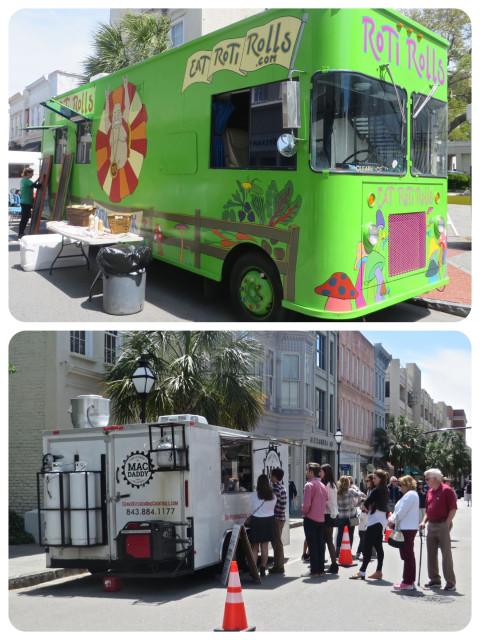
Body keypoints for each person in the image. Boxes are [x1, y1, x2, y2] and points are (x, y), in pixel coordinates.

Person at [419, 468, 457, 591]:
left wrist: (447, 523)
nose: (426, 481)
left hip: (442, 524)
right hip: (431, 525)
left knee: (446, 553)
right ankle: (435, 579)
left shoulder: (447, 490)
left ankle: (450, 581)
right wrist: (423, 522)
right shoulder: (430, 491)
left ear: (435, 478)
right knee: (431, 553)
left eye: (427, 479)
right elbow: (428, 510)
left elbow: (453, 509)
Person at [350, 469, 389, 581]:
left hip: (375, 520)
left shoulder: (377, 490)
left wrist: (365, 504)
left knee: (367, 546)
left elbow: (366, 503)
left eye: (375, 478)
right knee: (378, 546)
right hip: (381, 520)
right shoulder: (386, 490)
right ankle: (378, 571)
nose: (373, 480)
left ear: (380, 479)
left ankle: (362, 571)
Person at [387, 475, 419, 590]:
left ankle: (408, 581)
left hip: (407, 528)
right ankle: (408, 580)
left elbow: (401, 512)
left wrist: (392, 520)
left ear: (406, 485)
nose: (400, 487)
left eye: (401, 485)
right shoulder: (411, 495)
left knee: (408, 555)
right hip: (407, 527)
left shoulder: (410, 495)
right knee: (407, 554)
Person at [301, 462, 327, 578]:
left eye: (307, 470)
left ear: (311, 472)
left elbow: (306, 504)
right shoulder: (322, 485)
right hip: (321, 518)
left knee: (312, 545)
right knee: (320, 545)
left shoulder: (309, 485)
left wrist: (304, 512)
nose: (306, 472)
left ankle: (314, 570)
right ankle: (321, 569)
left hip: (311, 518)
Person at [248, 474, 277, 577]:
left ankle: (253, 569)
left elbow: (250, 508)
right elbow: (273, 507)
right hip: (269, 521)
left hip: (256, 521)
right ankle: (263, 568)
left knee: (254, 546)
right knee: (265, 545)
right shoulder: (273, 495)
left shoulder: (254, 495)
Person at [335, 475, 364, 556]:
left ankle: (338, 549)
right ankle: (348, 550)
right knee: (350, 534)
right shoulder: (351, 491)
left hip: (341, 516)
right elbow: (359, 494)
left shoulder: (337, 492)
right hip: (352, 516)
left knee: (340, 533)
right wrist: (356, 488)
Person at [320, 463, 339, 573]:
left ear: (326, 472)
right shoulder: (326, 484)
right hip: (326, 514)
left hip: (329, 514)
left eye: (321, 471)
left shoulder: (330, 485)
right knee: (324, 539)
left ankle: (333, 564)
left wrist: (322, 500)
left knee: (328, 540)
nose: (320, 473)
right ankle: (325, 562)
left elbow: (332, 503)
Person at [269, 468, 287, 574]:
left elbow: (272, 503)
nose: (270, 477)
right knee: (278, 542)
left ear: (275, 476)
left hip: (276, 517)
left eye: (271, 475)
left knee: (277, 543)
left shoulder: (275, 488)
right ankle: (278, 565)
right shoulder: (282, 487)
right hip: (281, 517)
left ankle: (279, 566)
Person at [18, 168, 41, 239]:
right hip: (26, 202)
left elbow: (32, 184)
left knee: (25, 218)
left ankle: (21, 232)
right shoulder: (27, 181)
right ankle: (21, 233)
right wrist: (42, 180)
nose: (32, 174)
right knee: (24, 218)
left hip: (24, 201)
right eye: (31, 173)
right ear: (28, 174)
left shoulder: (23, 180)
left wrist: (38, 179)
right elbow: (37, 186)